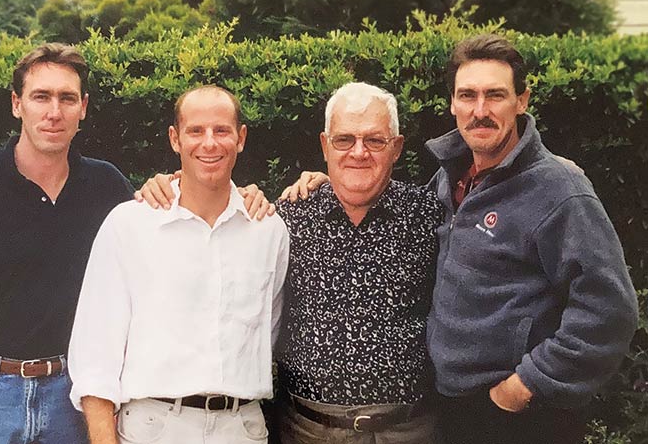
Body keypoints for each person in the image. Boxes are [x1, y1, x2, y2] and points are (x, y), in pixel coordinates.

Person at [279, 34, 639, 444]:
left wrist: (524, 385)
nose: (480, 110)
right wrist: (330, 183)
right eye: (467, 95)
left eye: (495, 95)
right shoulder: (449, 183)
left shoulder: (558, 189)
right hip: (451, 412)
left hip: (521, 416)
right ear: (452, 103)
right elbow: (365, 179)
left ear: (522, 100)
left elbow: (611, 309)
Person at [0, 43, 272, 444]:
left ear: (82, 107)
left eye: (66, 98)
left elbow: (169, 219)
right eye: (40, 96)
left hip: (70, 399)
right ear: (17, 104)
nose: (53, 111)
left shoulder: (106, 186)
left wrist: (221, 191)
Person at [141, 82, 444, 443]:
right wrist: (173, 186)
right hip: (308, 431)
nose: (358, 152)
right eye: (344, 139)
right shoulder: (287, 217)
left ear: (396, 148)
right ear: (324, 145)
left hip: (408, 431)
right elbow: (216, 211)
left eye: (375, 140)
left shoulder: (430, 215)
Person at [67, 85, 290, 444]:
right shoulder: (131, 224)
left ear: (241, 138)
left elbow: (271, 331)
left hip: (241, 428)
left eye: (221, 131)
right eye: (195, 131)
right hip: (153, 427)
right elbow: (95, 356)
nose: (209, 144)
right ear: (175, 139)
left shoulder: (269, 230)